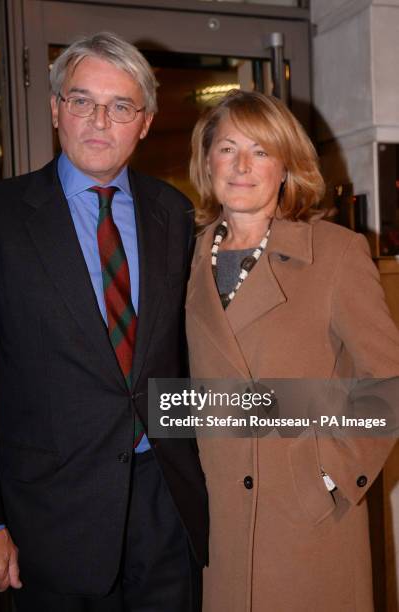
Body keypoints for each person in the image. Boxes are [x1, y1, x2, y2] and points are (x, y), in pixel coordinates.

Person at [0, 32, 208, 612]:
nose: (99, 121)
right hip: (48, 523)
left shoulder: (175, 215)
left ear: (146, 121)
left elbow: (189, 361)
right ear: (56, 108)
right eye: (82, 100)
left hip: (166, 510)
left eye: (120, 107)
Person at [186, 90, 399, 611]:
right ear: (206, 159)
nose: (241, 166)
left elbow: (387, 383)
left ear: (285, 165)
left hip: (305, 519)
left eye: (260, 151)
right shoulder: (183, 254)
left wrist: (329, 474)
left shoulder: (335, 253)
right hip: (217, 522)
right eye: (228, 148)